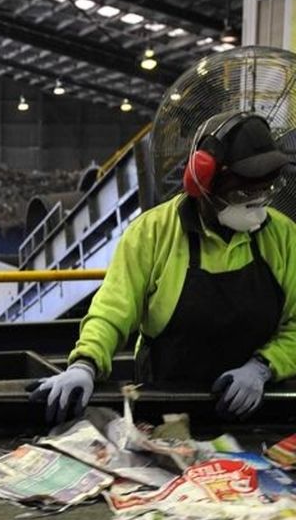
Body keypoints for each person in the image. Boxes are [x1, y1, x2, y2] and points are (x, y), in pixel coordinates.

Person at [29, 111, 296, 424]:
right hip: (164, 405)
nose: (258, 205)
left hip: (256, 405)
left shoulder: (283, 237)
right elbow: (113, 311)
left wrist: (263, 367)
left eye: (265, 192)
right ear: (203, 180)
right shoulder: (151, 234)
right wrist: (84, 365)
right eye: (244, 194)